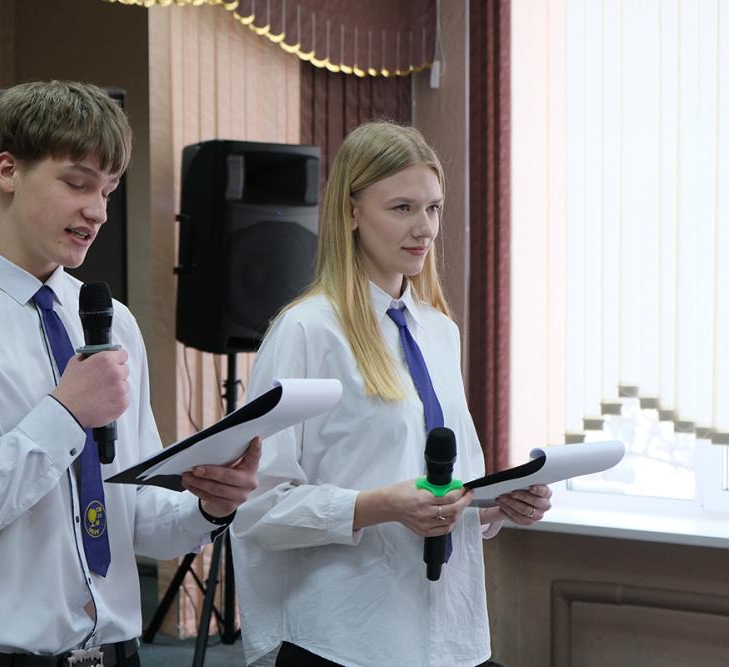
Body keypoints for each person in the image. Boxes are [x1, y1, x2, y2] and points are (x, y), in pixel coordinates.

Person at [0, 80, 261, 667]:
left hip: (114, 654)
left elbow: (135, 518)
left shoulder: (113, 322)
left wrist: (210, 507)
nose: (97, 211)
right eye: (78, 183)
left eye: (108, 190)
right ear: (8, 171)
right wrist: (63, 415)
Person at [229, 121, 552, 667]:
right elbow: (257, 510)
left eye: (433, 208)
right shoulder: (306, 331)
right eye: (402, 208)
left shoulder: (438, 331)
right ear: (351, 212)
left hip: (447, 634)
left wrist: (497, 502)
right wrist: (377, 507)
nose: (424, 228)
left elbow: (444, 485)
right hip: (347, 639)